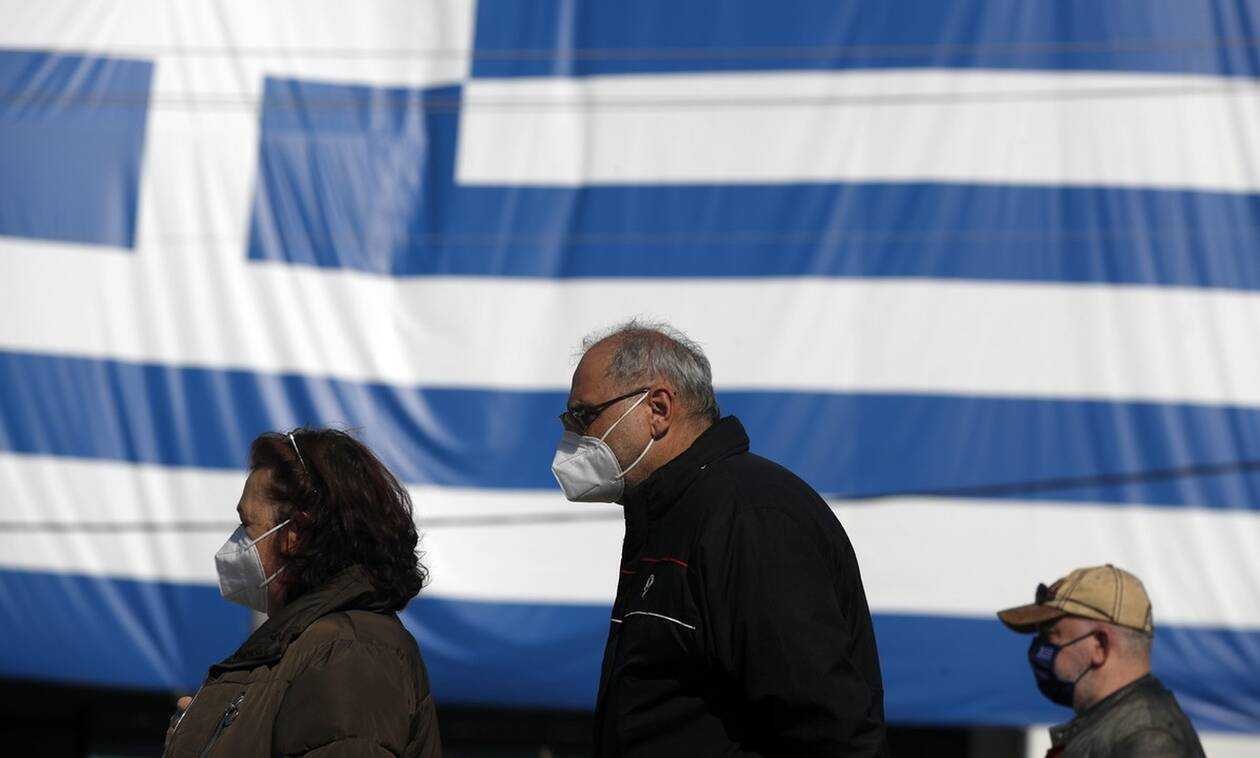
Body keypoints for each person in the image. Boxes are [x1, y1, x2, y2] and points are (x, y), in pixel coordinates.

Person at [551, 320, 888, 756]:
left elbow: (829, 728)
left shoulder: (750, 517)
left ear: (658, 409)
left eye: (583, 416)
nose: (573, 438)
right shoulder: (667, 512)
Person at [163, 428, 441, 757]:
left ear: (294, 533)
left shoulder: (348, 652)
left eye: (247, 523)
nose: (237, 542)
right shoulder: (302, 648)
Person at [997, 564, 1205, 757]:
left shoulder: (1149, 739)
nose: (1040, 649)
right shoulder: (1116, 727)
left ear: (1099, 646)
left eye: (1051, 636)